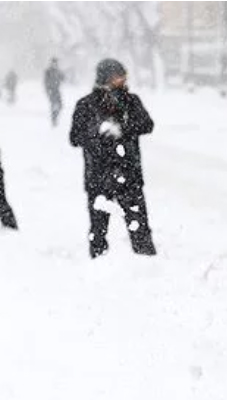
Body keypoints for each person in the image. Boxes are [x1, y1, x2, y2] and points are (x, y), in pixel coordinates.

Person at [70, 58, 156, 258]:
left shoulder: (131, 101)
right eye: (118, 76)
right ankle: (100, 267)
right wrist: (97, 133)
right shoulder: (86, 105)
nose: (122, 80)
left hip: (129, 174)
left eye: (123, 76)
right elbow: (75, 137)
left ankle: (148, 265)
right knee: (98, 229)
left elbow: (147, 124)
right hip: (98, 176)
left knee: (139, 227)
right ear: (105, 78)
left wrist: (122, 129)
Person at [44, 58, 65, 127]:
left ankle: (55, 118)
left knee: (60, 105)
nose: (54, 64)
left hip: (57, 90)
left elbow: (63, 78)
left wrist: (62, 75)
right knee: (54, 105)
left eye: (56, 63)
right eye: (53, 63)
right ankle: (54, 119)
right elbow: (45, 81)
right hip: (51, 90)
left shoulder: (58, 71)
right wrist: (48, 90)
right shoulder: (48, 71)